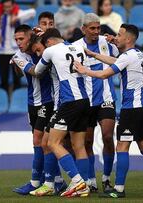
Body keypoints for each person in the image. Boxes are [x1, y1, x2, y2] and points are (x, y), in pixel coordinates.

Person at [74, 24, 143, 198]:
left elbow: (104, 74)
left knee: (122, 147)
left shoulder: (127, 56)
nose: (116, 37)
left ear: (128, 39)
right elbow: (116, 62)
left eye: (119, 35)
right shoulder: (138, 54)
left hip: (131, 109)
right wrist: (94, 54)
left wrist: (84, 70)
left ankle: (118, 189)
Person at [34, 28, 91, 198]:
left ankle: (77, 181)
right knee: (79, 146)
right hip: (84, 100)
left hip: (69, 102)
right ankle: (85, 185)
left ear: (49, 41)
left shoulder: (50, 50)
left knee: (52, 143)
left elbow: (37, 71)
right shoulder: (78, 47)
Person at [73, 13, 118, 193]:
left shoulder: (106, 43)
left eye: (98, 28)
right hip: (86, 100)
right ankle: (91, 180)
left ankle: (107, 178)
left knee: (107, 136)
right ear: (84, 29)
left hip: (106, 97)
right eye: (92, 28)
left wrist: (116, 41)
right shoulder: (75, 47)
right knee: (88, 142)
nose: (96, 31)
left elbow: (123, 56)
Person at [11, 25, 54, 195]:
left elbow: (39, 71)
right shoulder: (18, 56)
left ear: (31, 37)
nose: (18, 43)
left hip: (48, 101)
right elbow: (33, 72)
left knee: (41, 141)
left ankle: (38, 181)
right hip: (32, 103)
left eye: (21, 39)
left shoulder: (44, 48)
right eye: (16, 40)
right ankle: (49, 181)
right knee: (39, 143)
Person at [0, 0, 35, 94]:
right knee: (3, 78)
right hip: (2, 51)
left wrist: (16, 17)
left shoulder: (18, 14)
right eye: (5, 7)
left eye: (9, 7)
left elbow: (33, 12)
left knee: (17, 78)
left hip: (15, 51)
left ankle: (16, 98)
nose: (7, 9)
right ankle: (4, 99)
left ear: (13, 5)